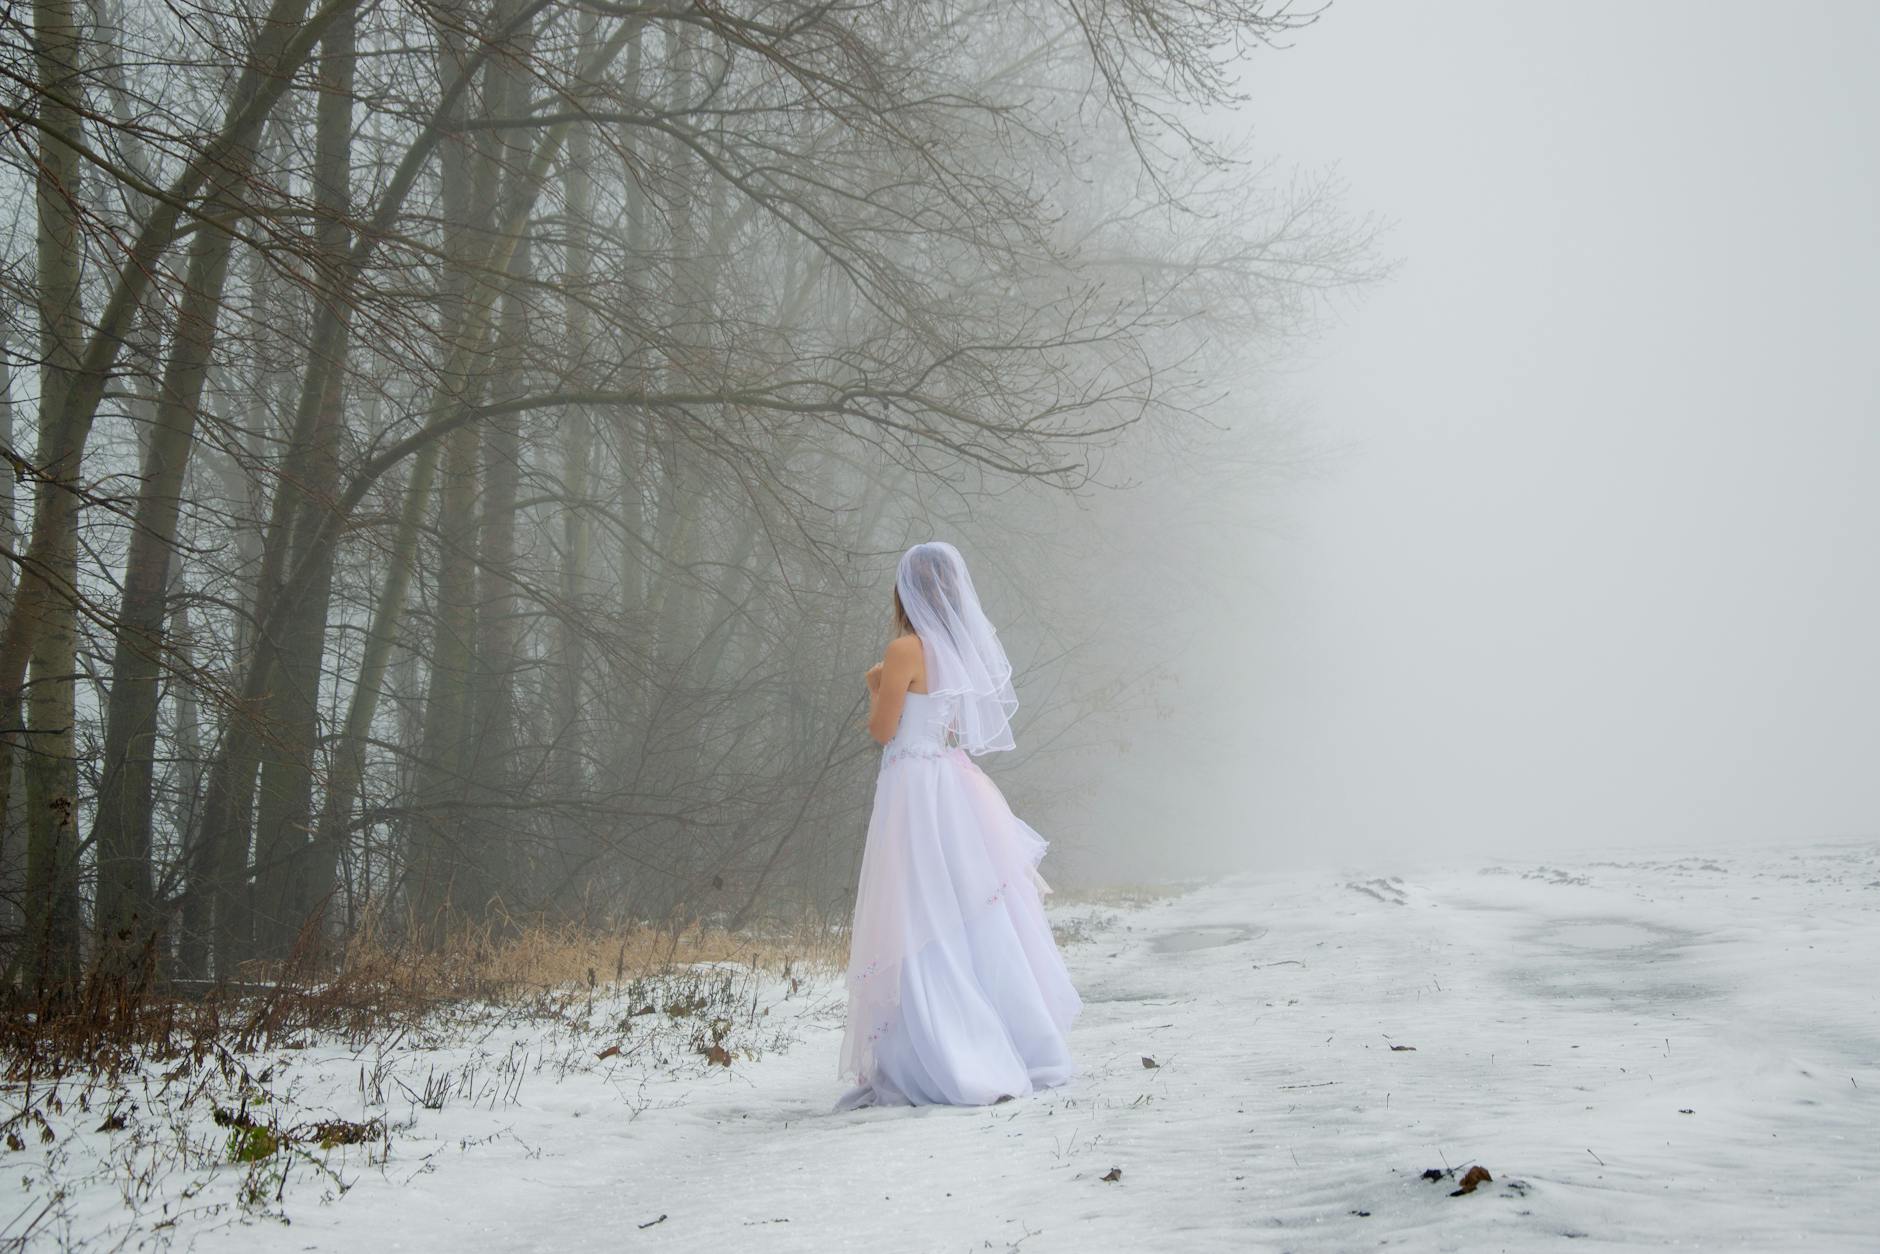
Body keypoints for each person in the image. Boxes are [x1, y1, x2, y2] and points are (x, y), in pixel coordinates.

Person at [832, 541, 1083, 1111]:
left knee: (919, 908)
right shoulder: (958, 648)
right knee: (969, 910)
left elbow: (882, 727)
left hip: (914, 789)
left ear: (905, 591)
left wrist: (875, 685)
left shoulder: (904, 649)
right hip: (954, 785)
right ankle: (1022, 1041)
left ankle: (943, 1049)